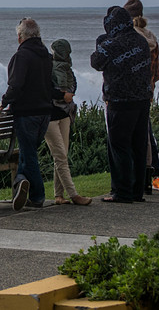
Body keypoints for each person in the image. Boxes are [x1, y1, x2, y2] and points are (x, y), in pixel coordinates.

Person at [90, 6, 152, 203]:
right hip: (142, 100)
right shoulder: (140, 41)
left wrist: (100, 43)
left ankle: (122, 192)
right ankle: (136, 191)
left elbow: (96, 63)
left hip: (119, 101)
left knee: (119, 146)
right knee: (138, 145)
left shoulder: (110, 44)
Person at [0, 18, 57, 210]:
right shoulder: (47, 56)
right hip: (45, 114)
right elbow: (51, 85)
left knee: (29, 155)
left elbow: (16, 85)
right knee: (28, 152)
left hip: (26, 114)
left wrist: (4, 102)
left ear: (20, 37)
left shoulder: (22, 56)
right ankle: (21, 181)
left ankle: (37, 195)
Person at [123, 0, 159, 192]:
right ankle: (154, 172)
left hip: (129, 93)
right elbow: (156, 73)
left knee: (132, 135)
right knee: (146, 132)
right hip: (147, 91)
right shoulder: (151, 37)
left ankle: (146, 174)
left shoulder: (129, 38)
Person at [44, 39, 92, 206]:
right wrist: (61, 95)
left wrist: (68, 93)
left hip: (65, 115)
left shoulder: (67, 68)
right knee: (60, 156)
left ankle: (58, 195)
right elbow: (45, 89)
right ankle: (74, 194)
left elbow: (73, 85)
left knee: (62, 154)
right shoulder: (48, 67)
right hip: (50, 117)